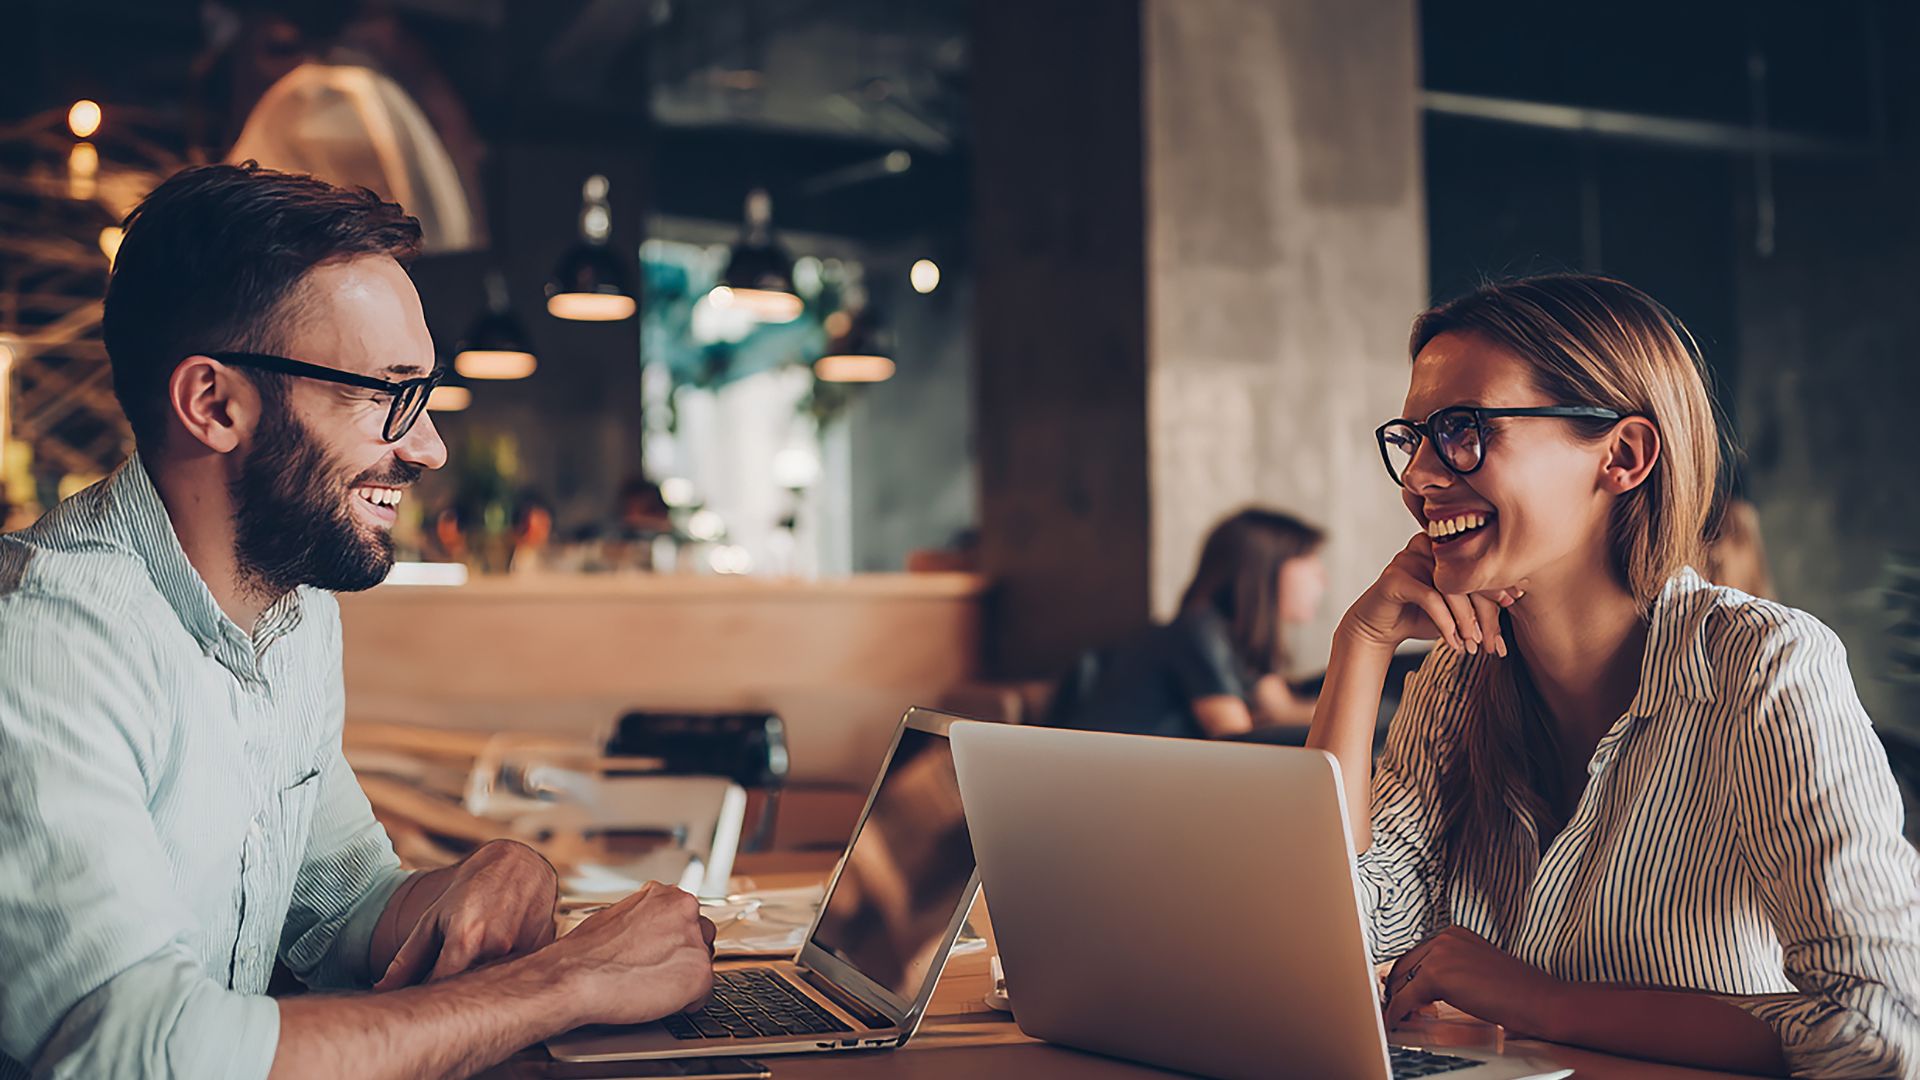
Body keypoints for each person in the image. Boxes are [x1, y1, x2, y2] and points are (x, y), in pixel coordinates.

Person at [0, 163, 715, 1080]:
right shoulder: (47, 644)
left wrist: (488, 876)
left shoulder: (293, 613)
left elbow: (344, 910)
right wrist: (566, 983)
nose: (430, 446)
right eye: (385, 392)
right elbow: (137, 1053)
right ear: (214, 404)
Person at [1308, 274, 1919, 1076]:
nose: (1419, 475)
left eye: (1462, 429)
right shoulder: (1457, 682)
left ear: (1623, 457)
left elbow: (1879, 1031)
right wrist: (1360, 645)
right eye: (1413, 437)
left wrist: (1541, 1002)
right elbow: (1329, 939)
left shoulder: (1762, 666)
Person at [1053, 508, 1327, 739]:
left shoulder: (1236, 642)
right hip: (1114, 774)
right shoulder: (1198, 629)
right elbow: (1235, 738)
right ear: (1264, 569)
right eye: (1308, 559)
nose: (1322, 578)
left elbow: (1281, 708)